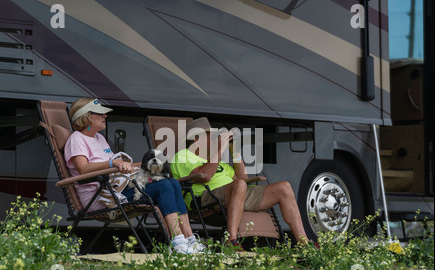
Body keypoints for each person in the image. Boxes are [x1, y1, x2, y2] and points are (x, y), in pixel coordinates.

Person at [64, 97, 205, 254]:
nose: (105, 116)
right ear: (86, 116)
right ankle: (178, 242)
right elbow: (83, 169)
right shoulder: (76, 139)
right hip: (101, 196)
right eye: (100, 114)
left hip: (117, 187)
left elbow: (120, 167)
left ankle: (190, 239)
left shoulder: (99, 138)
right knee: (164, 186)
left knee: (172, 182)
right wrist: (113, 163)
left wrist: (146, 163)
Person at [171, 117, 310, 248]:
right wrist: (220, 148)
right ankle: (231, 240)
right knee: (239, 185)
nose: (215, 140)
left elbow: (243, 178)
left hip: (233, 196)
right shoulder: (183, 156)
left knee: (284, 187)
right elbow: (205, 176)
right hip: (205, 199)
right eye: (211, 137)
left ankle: (304, 243)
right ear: (197, 140)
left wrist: (235, 151)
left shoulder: (215, 161)